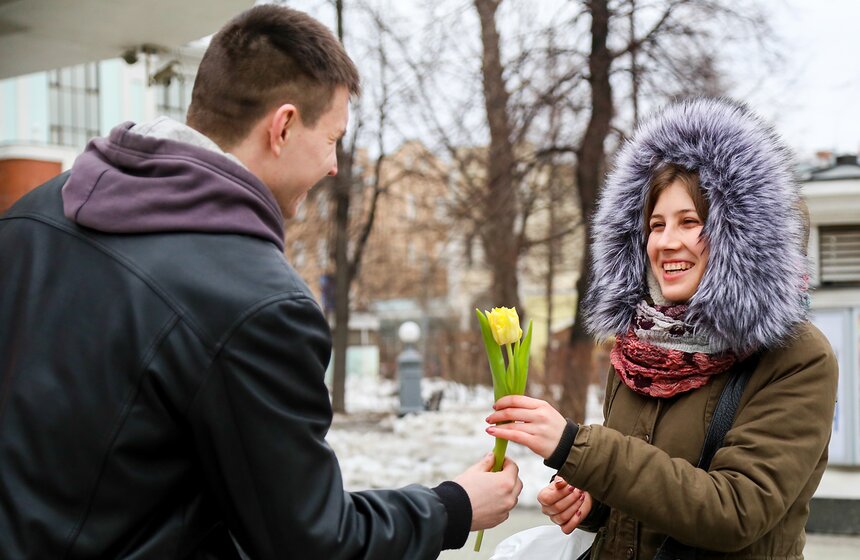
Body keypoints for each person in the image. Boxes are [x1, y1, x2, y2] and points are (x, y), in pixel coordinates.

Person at [0, 5, 522, 559]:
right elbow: (310, 542)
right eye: (332, 140)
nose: (334, 167)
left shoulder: (30, 216)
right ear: (284, 126)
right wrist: (452, 507)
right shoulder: (260, 305)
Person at [486, 98, 838, 558]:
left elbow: (735, 512)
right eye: (655, 224)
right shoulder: (639, 346)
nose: (666, 242)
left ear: (743, 237)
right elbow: (642, 491)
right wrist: (590, 500)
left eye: (690, 222)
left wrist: (579, 448)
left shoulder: (797, 356)